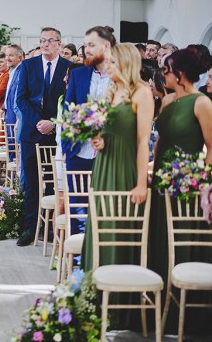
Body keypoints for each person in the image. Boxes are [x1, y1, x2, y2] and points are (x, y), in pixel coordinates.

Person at [148, 49, 212, 335]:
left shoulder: (202, 103)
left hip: (187, 185)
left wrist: (200, 180)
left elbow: (211, 148)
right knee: (160, 236)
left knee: (182, 240)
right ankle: (158, 304)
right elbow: (161, 140)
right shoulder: (169, 100)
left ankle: (186, 311)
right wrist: (151, 171)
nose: (163, 75)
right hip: (161, 180)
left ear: (180, 74)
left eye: (167, 71)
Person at [82, 43, 154, 271]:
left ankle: (119, 295)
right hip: (103, 166)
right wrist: (98, 139)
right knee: (101, 223)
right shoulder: (110, 91)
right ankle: (95, 288)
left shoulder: (142, 93)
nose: (106, 66)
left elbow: (143, 141)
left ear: (126, 63)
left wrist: (142, 183)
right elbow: (104, 131)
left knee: (117, 224)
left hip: (124, 168)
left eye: (112, 61)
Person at [15, 27, 72, 246]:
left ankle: (51, 227)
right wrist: (39, 122)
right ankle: (30, 227)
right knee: (31, 181)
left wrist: (53, 123)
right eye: (42, 40)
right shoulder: (28, 65)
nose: (45, 44)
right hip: (32, 131)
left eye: (49, 41)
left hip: (56, 133)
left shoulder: (69, 68)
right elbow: (21, 99)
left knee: (54, 182)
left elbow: (70, 101)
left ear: (59, 43)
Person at [63, 26, 115, 234]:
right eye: (85, 46)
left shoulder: (120, 75)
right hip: (79, 151)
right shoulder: (79, 75)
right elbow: (68, 111)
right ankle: (78, 260)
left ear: (106, 46)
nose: (86, 50)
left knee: (105, 208)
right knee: (78, 206)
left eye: (91, 45)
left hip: (110, 153)